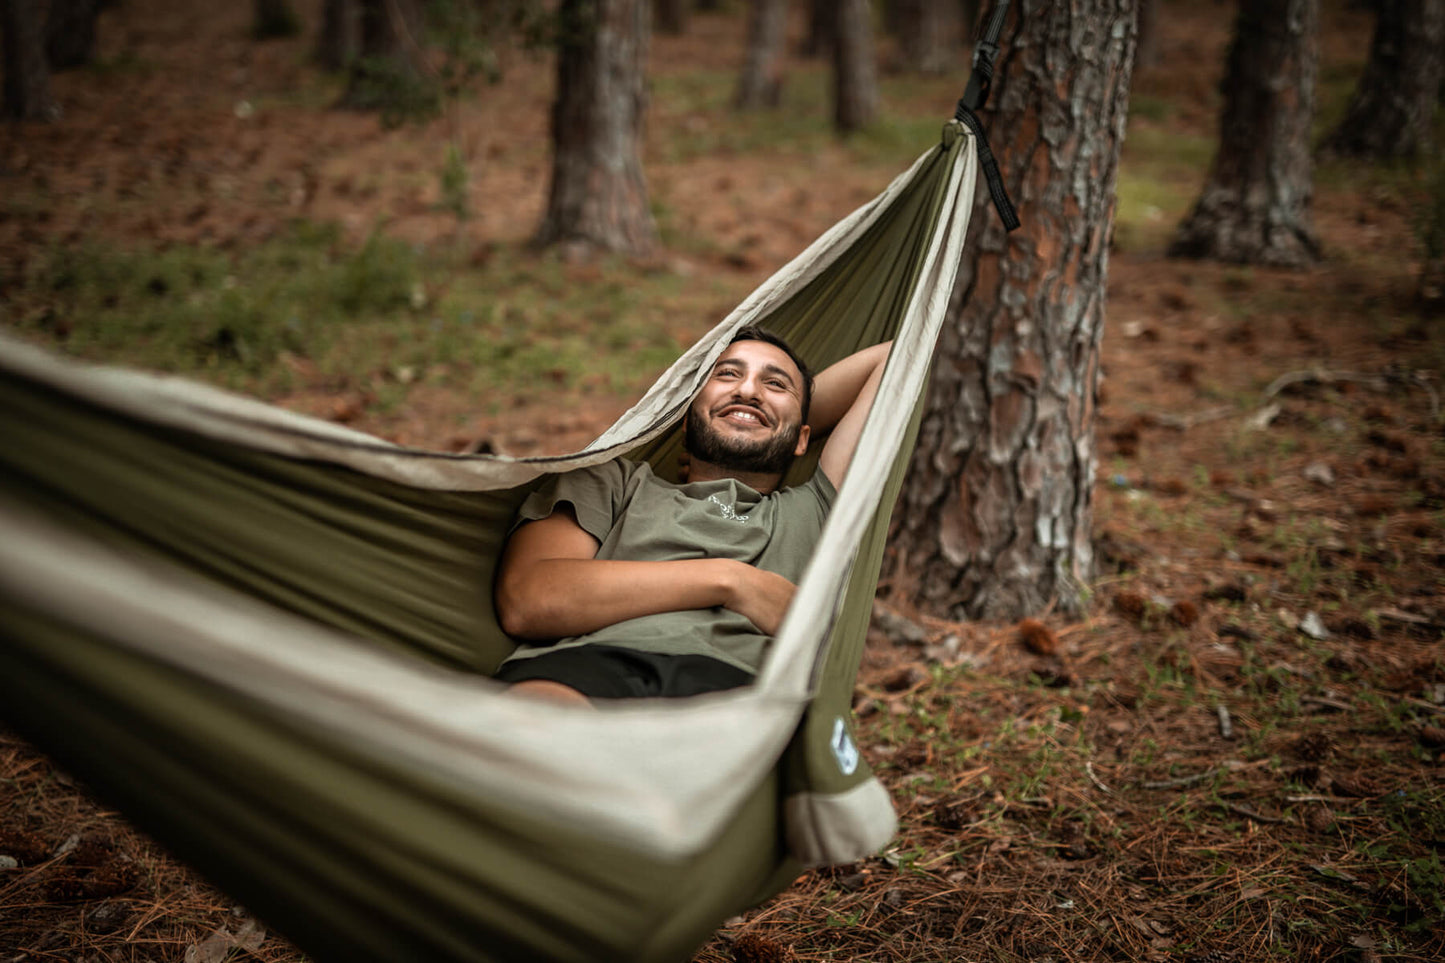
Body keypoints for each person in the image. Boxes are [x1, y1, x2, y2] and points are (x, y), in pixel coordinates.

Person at [492, 327, 890, 705]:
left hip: (738, 690)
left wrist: (764, 417)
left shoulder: (816, 507)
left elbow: (894, 359)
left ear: (805, 437)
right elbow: (528, 599)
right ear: (683, 420)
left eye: (775, 383)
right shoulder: (613, 481)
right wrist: (734, 582)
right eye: (727, 374)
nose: (748, 389)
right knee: (537, 718)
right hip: (587, 664)